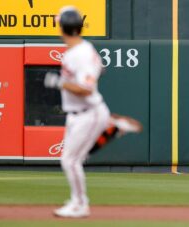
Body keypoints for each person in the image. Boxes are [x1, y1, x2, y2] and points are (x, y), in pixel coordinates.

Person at [44, 6, 141, 218]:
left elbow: (86, 88)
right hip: (77, 113)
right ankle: (113, 128)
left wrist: (60, 83)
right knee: (76, 157)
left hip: (89, 112)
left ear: (63, 28)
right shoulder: (81, 49)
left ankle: (80, 204)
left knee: (70, 160)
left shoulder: (80, 53)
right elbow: (96, 71)